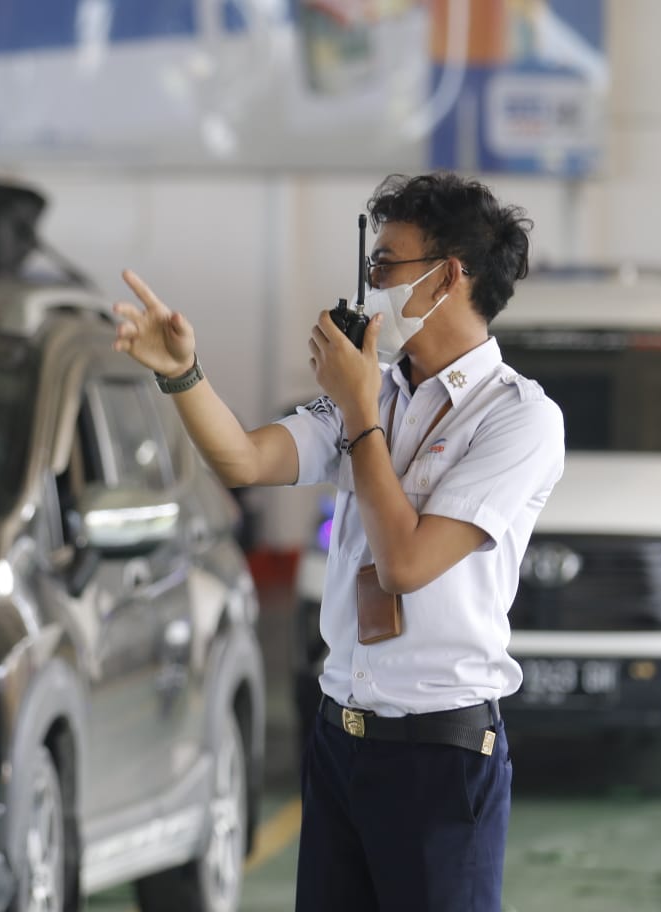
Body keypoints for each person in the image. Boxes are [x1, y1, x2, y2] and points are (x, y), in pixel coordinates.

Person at [112, 172, 565, 911]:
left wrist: (360, 413)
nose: (371, 282)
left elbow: (408, 563)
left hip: (441, 753)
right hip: (340, 740)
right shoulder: (373, 387)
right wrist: (183, 376)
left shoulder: (517, 418)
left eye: (387, 264)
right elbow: (244, 458)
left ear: (450, 277)